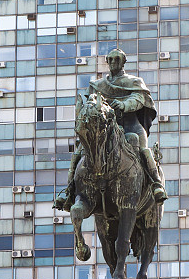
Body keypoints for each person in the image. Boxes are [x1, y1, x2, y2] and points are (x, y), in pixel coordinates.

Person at [54, 48, 167, 211]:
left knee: (143, 149)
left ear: (123, 62)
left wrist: (124, 105)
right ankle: (69, 191)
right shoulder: (97, 85)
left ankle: (156, 184)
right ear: (107, 61)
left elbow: (138, 99)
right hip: (104, 128)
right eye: (111, 59)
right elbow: (90, 102)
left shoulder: (134, 82)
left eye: (117, 59)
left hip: (130, 125)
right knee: (80, 151)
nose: (114, 62)